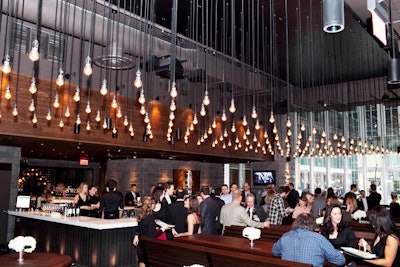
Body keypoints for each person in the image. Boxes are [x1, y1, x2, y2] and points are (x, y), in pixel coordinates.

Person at [272, 213, 346, 267]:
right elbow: (340, 260)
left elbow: (274, 251)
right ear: (313, 224)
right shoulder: (318, 239)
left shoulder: (285, 236)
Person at [133, 195, 171, 267]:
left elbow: (139, 227)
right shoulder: (151, 217)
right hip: (148, 246)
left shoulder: (141, 215)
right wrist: (162, 229)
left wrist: (136, 235)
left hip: (141, 244)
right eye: (154, 204)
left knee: (141, 262)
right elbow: (151, 236)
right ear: (151, 205)